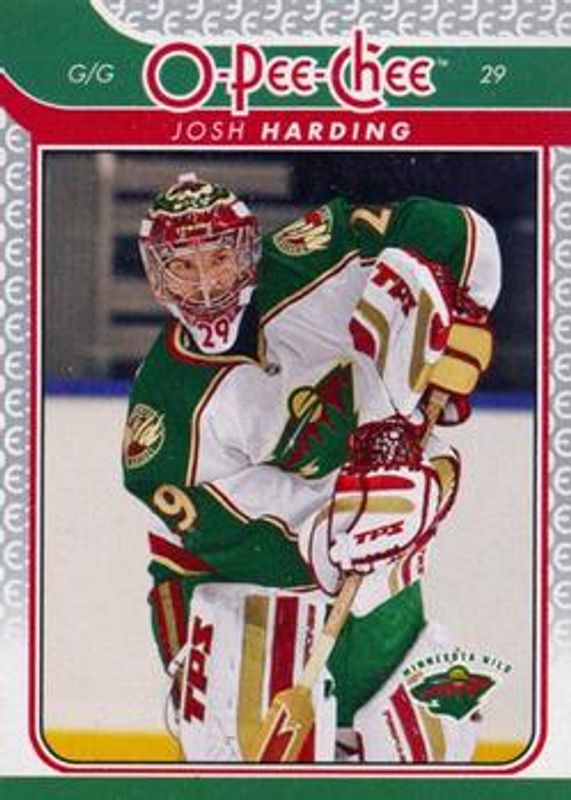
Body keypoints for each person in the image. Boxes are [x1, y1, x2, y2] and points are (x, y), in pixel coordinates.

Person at [122, 173, 501, 763]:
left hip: (382, 605)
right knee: (255, 760)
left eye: (219, 257)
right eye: (184, 267)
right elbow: (233, 542)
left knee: (432, 751)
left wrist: (458, 308)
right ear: (157, 276)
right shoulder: (166, 408)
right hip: (259, 611)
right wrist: (358, 516)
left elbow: (458, 234)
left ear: (249, 249)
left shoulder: (313, 256)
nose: (207, 283)